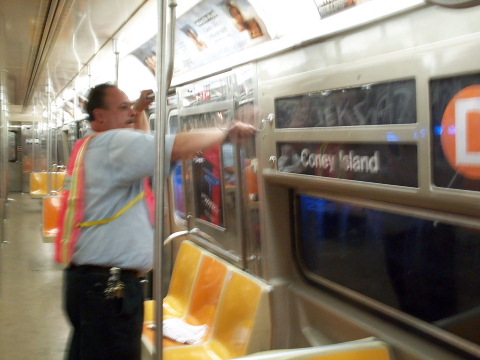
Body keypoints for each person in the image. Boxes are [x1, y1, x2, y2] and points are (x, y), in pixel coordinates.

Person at [62, 82, 256, 360]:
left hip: (88, 283)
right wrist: (225, 132)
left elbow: (143, 145)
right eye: (123, 107)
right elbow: (173, 145)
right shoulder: (115, 143)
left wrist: (139, 110)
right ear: (100, 116)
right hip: (108, 288)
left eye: (131, 106)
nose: (130, 112)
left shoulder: (92, 146)